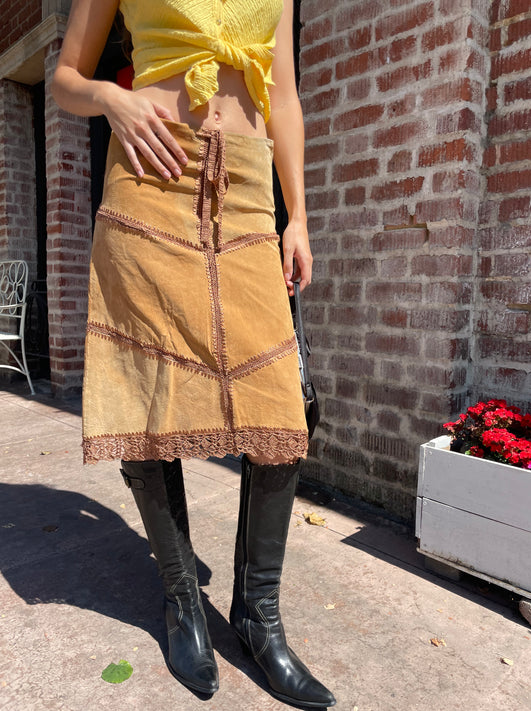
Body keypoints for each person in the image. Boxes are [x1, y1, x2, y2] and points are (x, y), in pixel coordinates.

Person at [52, 0, 336, 706]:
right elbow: (63, 76)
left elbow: (285, 96)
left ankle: (257, 616)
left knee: (285, 406)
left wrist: (295, 215)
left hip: (242, 189)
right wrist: (111, 99)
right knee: (147, 395)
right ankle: (184, 600)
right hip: (150, 174)